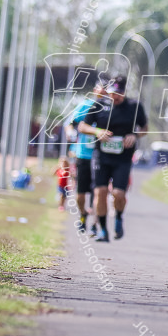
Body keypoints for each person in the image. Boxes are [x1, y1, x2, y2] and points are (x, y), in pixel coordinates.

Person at [77, 75, 147, 243]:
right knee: (100, 192)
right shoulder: (99, 105)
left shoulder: (134, 107)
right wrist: (96, 132)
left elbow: (144, 128)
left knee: (118, 194)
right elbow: (82, 126)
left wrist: (135, 135)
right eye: (112, 93)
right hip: (101, 156)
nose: (115, 97)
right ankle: (102, 230)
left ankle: (118, 218)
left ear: (124, 93)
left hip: (123, 158)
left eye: (118, 94)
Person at [69, 83, 105, 234]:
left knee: (98, 192)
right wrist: (71, 134)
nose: (102, 92)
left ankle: (95, 224)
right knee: (81, 193)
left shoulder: (110, 109)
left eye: (105, 90)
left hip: (101, 157)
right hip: (83, 155)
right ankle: (83, 215)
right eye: (100, 89)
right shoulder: (85, 106)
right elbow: (71, 123)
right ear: (95, 90)